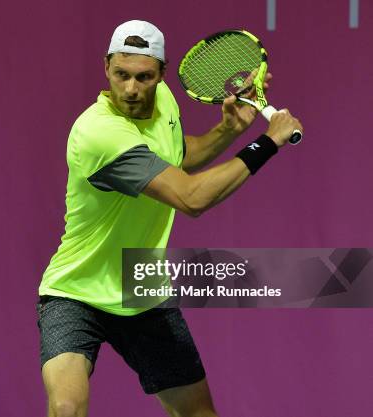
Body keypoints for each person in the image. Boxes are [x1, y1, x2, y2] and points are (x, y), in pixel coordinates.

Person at [36, 20, 303, 417]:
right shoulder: (98, 133)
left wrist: (226, 132)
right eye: (121, 75)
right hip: (75, 291)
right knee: (67, 406)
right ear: (106, 67)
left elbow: (176, 157)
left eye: (143, 77)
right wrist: (267, 143)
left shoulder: (163, 100)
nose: (130, 88)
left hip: (140, 287)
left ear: (161, 74)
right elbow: (189, 197)